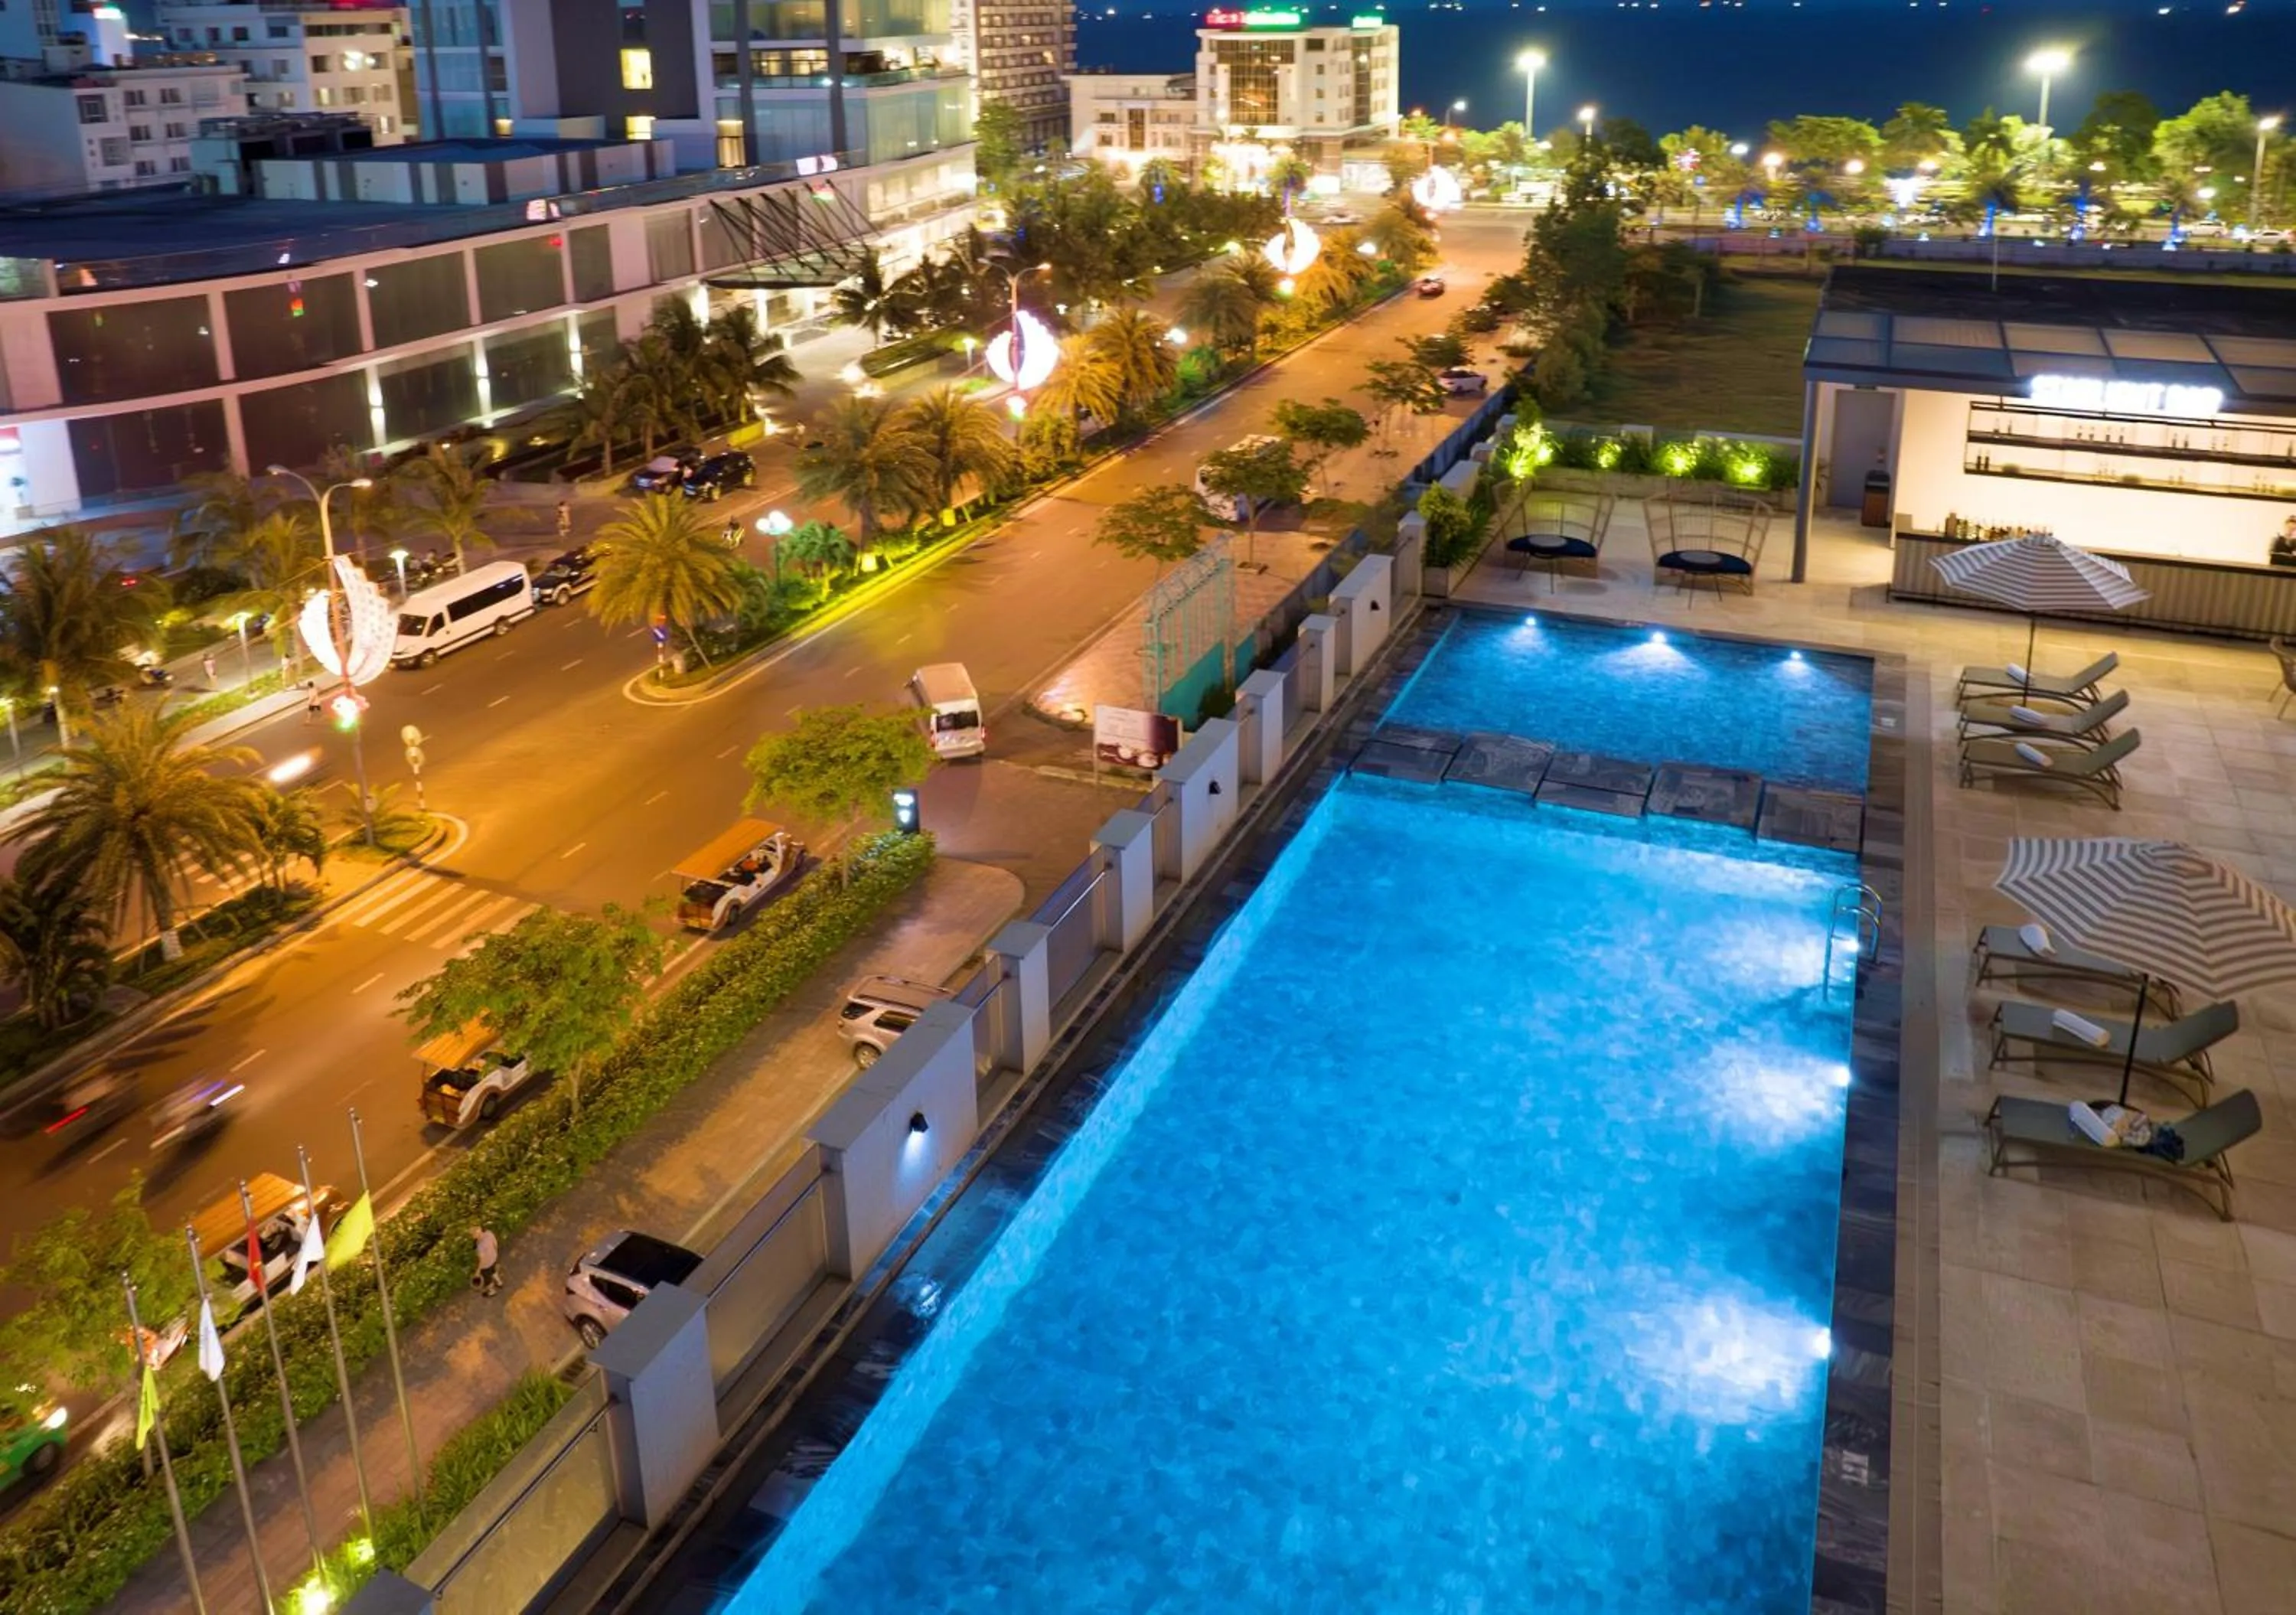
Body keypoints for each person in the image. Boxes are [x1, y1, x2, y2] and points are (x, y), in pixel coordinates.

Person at [471, 1225, 501, 1296]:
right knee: (493, 1271)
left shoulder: (480, 1246)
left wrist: (478, 1271)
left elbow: (482, 1260)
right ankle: (499, 1282)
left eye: (473, 1234)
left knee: (487, 1279)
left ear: (477, 1234)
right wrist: (495, 1254)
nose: (472, 1236)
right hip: (493, 1258)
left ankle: (491, 1291)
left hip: (486, 1265)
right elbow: (495, 1244)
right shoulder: (489, 1233)